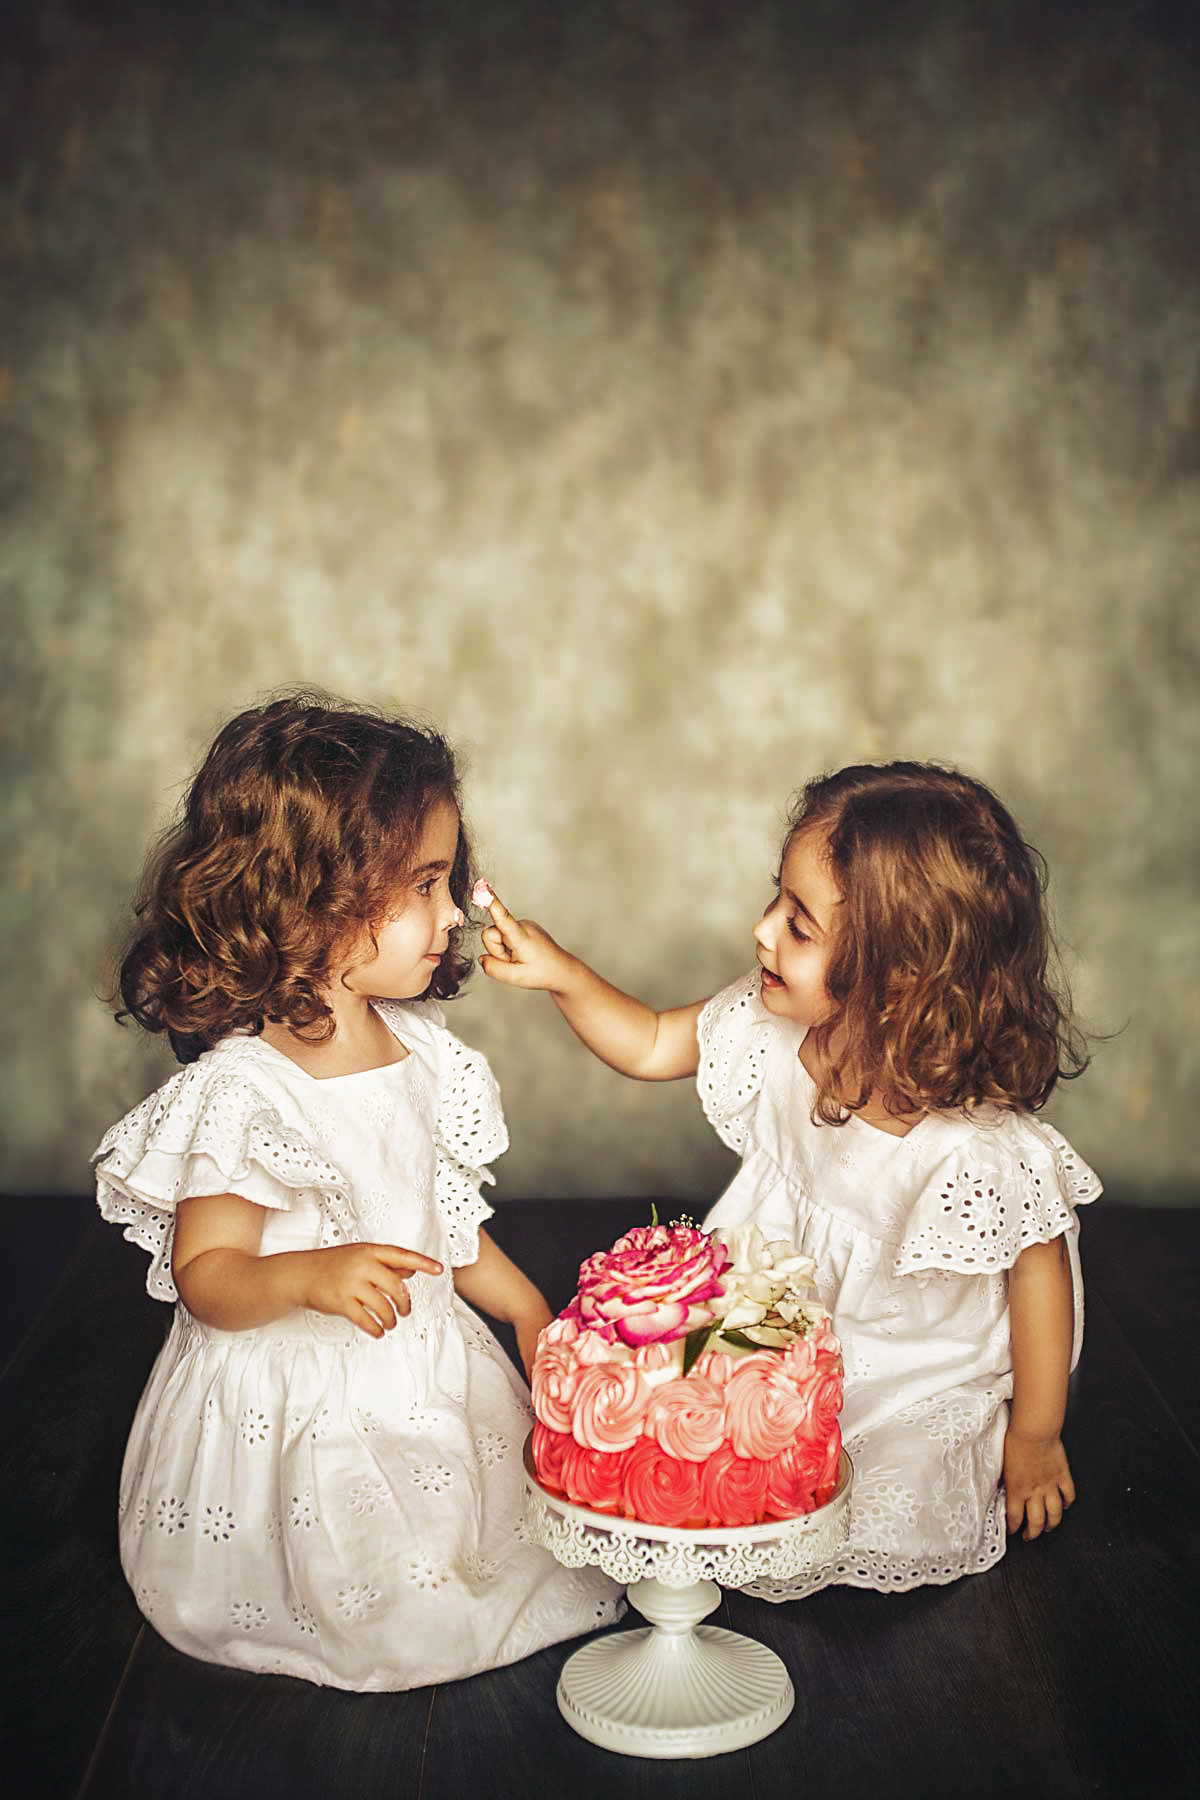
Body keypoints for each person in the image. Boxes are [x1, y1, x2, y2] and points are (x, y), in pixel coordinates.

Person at [93, 694, 621, 1688]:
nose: (455, 913)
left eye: (449, 880)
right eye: (425, 885)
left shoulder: (420, 1053)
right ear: (312, 900)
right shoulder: (249, 1089)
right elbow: (208, 1274)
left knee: (527, 1542)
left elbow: (440, 1223)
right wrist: (308, 1273)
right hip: (306, 1399)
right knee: (390, 1597)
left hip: (414, 1363)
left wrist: (526, 1308)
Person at [478, 761, 1100, 1598]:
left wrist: (1036, 1434)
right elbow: (654, 1043)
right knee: (690, 1433)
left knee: (886, 1491)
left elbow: (1040, 1274)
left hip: (912, 1357)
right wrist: (563, 975)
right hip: (777, 1327)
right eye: (779, 900)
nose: (764, 930)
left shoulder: (977, 1149)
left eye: (800, 926)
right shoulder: (775, 1028)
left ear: (902, 977)